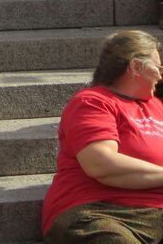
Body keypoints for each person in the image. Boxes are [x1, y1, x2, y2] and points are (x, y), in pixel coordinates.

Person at [41, 30, 163, 243]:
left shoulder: (157, 106)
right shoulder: (93, 102)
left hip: (155, 214)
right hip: (98, 210)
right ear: (135, 66)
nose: (160, 76)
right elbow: (100, 164)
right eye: (158, 67)